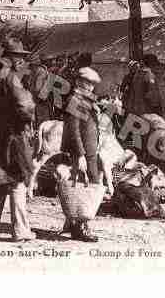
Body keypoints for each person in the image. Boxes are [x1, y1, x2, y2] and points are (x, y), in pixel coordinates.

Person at [0, 38, 36, 242]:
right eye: (19, 57)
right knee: (18, 182)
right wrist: (30, 114)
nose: (21, 61)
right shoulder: (12, 78)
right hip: (13, 138)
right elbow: (24, 106)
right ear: (10, 58)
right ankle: (21, 231)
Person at [61, 66, 102, 242]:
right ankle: (80, 228)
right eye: (87, 83)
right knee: (86, 186)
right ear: (78, 82)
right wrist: (80, 155)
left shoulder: (85, 99)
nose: (90, 87)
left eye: (92, 84)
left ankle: (72, 223)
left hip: (89, 150)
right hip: (83, 151)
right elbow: (74, 130)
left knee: (80, 184)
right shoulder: (77, 100)